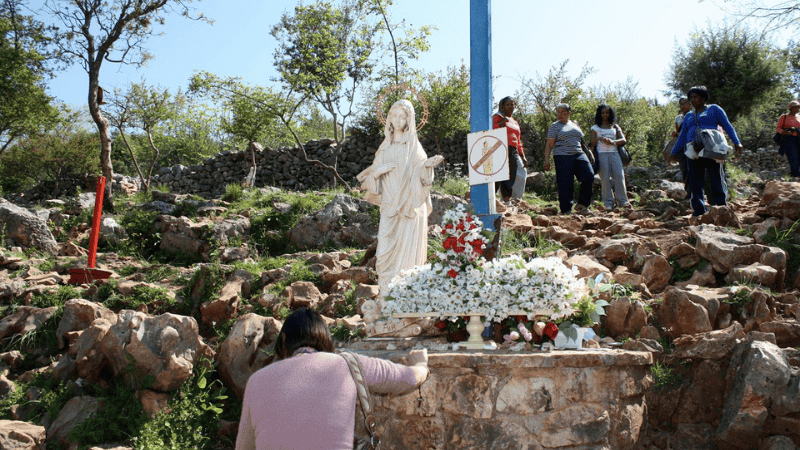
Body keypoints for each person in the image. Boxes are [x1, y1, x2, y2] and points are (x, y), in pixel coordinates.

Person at [235, 308, 431, 450]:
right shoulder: (347, 364)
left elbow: (244, 446)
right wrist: (421, 365)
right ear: (326, 339)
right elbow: (406, 378)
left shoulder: (257, 381)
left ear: (284, 340)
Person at [357, 99, 444, 296]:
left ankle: (406, 297)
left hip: (409, 208)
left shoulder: (414, 147)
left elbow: (422, 176)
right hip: (389, 207)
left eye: (402, 116)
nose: (397, 119)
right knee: (384, 254)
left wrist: (427, 167)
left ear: (409, 120)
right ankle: (387, 297)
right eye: (394, 115)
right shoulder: (385, 148)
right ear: (388, 119)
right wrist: (378, 172)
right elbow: (370, 181)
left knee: (408, 259)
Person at [670, 86, 743, 217]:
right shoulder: (689, 116)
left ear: (703, 98)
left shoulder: (714, 109)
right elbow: (682, 136)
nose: (693, 100)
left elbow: (727, 125)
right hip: (693, 151)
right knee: (695, 182)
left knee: (716, 177)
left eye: (696, 97)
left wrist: (737, 142)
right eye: (691, 97)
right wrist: (674, 152)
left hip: (711, 149)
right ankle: (699, 211)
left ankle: (720, 208)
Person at [543, 103, 595, 214]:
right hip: (562, 155)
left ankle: (582, 205)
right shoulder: (555, 126)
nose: (560, 114)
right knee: (565, 182)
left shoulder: (575, 124)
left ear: (569, 113)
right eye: (558, 112)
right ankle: (566, 210)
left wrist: (588, 152)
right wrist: (546, 160)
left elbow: (581, 141)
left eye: (563, 112)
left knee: (589, 175)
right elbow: (549, 144)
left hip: (578, 153)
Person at [589, 104, 629, 210]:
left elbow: (623, 140)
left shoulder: (615, 126)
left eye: (607, 112)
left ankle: (623, 201)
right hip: (601, 154)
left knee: (619, 176)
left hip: (614, 153)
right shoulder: (595, 127)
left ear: (610, 114)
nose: (605, 115)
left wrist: (613, 142)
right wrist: (598, 138)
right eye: (602, 113)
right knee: (605, 179)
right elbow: (591, 144)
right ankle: (608, 203)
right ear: (599, 114)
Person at [493, 96, 528, 203]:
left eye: (512, 104)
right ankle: (492, 200)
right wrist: (501, 123)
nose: (510, 106)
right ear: (502, 106)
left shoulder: (514, 121)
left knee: (513, 175)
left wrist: (523, 156)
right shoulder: (497, 116)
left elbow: (518, 140)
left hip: (513, 150)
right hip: (500, 147)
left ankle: (510, 200)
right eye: (507, 104)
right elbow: (489, 131)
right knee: (499, 176)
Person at [776, 100, 800, 178]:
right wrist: (784, 132)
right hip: (789, 139)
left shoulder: (799, 117)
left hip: (799, 138)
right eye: (795, 107)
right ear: (790, 108)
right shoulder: (784, 116)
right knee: (793, 156)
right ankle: (795, 174)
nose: (797, 109)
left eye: (798, 107)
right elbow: (778, 128)